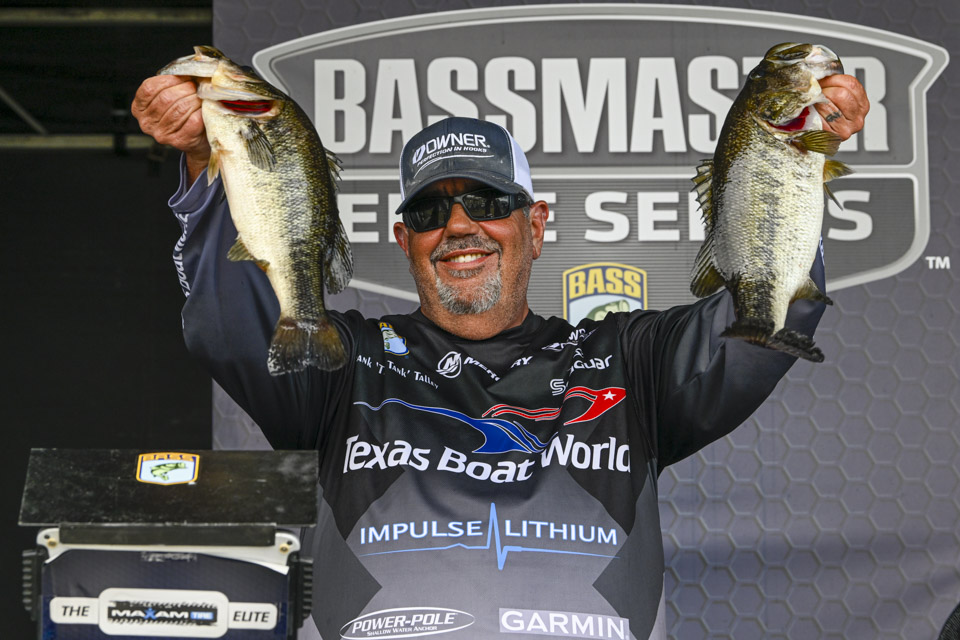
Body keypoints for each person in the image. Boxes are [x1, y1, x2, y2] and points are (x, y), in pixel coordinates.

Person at [133, 72, 868, 640]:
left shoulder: (631, 360)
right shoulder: (341, 362)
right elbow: (230, 325)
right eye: (430, 210)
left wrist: (792, 153)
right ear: (404, 239)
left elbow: (761, 321)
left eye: (487, 202)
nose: (459, 227)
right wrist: (208, 157)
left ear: (535, 224)